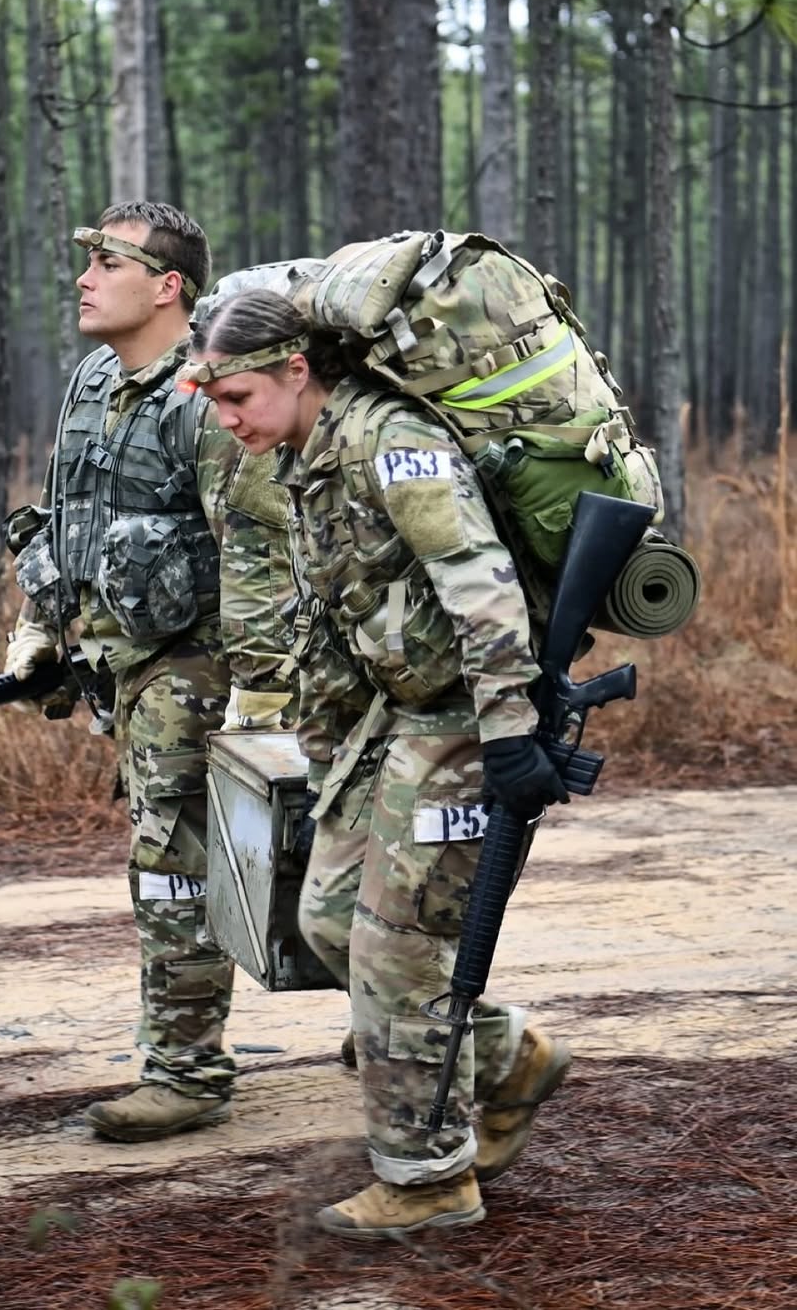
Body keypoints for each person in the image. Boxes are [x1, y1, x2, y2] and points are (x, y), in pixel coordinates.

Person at [181, 288, 573, 1239]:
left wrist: (513, 732)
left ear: (295, 370)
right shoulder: (307, 455)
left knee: (398, 952)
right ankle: (509, 1056)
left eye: (238, 397)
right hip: (393, 722)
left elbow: (478, 586)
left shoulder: (389, 441)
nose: (228, 421)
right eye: (216, 403)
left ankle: (428, 1176)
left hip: (462, 724)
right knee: (323, 921)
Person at [3, 206, 296, 1143]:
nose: (86, 275)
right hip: (121, 655)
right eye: (86, 257)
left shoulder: (203, 398)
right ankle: (386, 1013)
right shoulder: (94, 378)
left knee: (171, 860)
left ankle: (187, 1071)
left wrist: (257, 687)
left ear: (168, 285)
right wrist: (40, 627)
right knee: (256, 856)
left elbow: (255, 546)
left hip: (197, 661)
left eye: (109, 260)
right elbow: (71, 514)